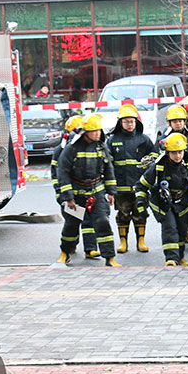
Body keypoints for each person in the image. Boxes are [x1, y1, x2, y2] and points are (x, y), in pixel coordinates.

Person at [56, 113, 121, 267]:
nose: (97, 134)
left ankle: (110, 258)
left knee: (103, 222)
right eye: (93, 131)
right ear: (85, 132)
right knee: (71, 225)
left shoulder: (101, 147)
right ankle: (65, 253)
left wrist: (111, 192)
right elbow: (62, 172)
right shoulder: (72, 148)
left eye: (99, 130)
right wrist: (68, 197)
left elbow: (109, 169)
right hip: (76, 195)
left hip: (96, 192)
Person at [135, 133, 188, 266]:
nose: (177, 156)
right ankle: (171, 258)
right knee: (170, 227)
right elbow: (141, 185)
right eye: (173, 153)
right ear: (167, 152)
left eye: (180, 152)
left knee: (182, 229)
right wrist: (141, 203)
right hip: (162, 203)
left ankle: (180, 257)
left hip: (182, 202)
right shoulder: (158, 166)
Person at [106, 104, 154, 254]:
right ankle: (123, 242)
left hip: (140, 186)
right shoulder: (112, 140)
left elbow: (154, 157)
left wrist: (148, 168)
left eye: (132, 121)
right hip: (121, 188)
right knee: (123, 215)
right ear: (120, 122)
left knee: (140, 214)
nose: (129, 124)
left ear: (136, 122)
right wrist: (110, 189)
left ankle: (141, 241)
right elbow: (108, 166)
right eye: (126, 121)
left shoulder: (144, 139)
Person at [51, 115, 101, 259]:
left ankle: (90, 249)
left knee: (89, 221)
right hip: (68, 194)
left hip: (85, 193)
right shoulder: (61, 150)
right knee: (72, 222)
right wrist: (61, 194)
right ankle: (70, 247)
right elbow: (57, 174)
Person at [157, 105, 188, 251]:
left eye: (180, 120)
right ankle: (178, 240)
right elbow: (156, 160)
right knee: (173, 214)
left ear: (185, 121)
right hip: (169, 181)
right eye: (175, 121)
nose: (178, 123)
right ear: (169, 122)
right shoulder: (163, 139)